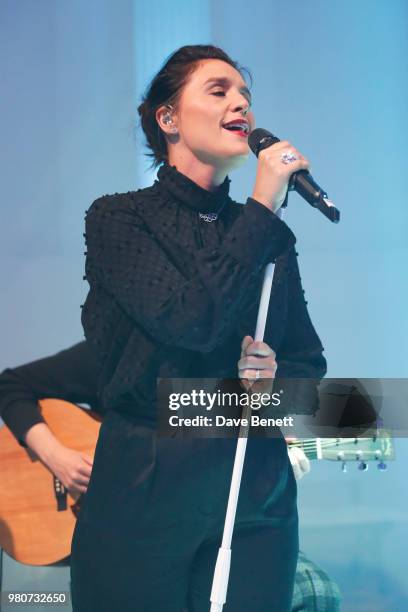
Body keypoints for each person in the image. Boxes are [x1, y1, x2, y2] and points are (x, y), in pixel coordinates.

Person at [68, 43, 328, 611]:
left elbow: (309, 364)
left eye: (246, 96)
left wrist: (274, 377)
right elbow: (189, 320)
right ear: (168, 119)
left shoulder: (268, 234)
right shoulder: (119, 217)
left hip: (254, 492)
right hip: (147, 488)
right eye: (219, 91)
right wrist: (263, 203)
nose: (241, 105)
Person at [0, 343, 341, 611]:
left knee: (314, 590)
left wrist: (270, 469)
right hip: (133, 538)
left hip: (216, 534)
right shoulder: (119, 353)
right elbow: (11, 386)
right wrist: (56, 457)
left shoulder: (239, 363)